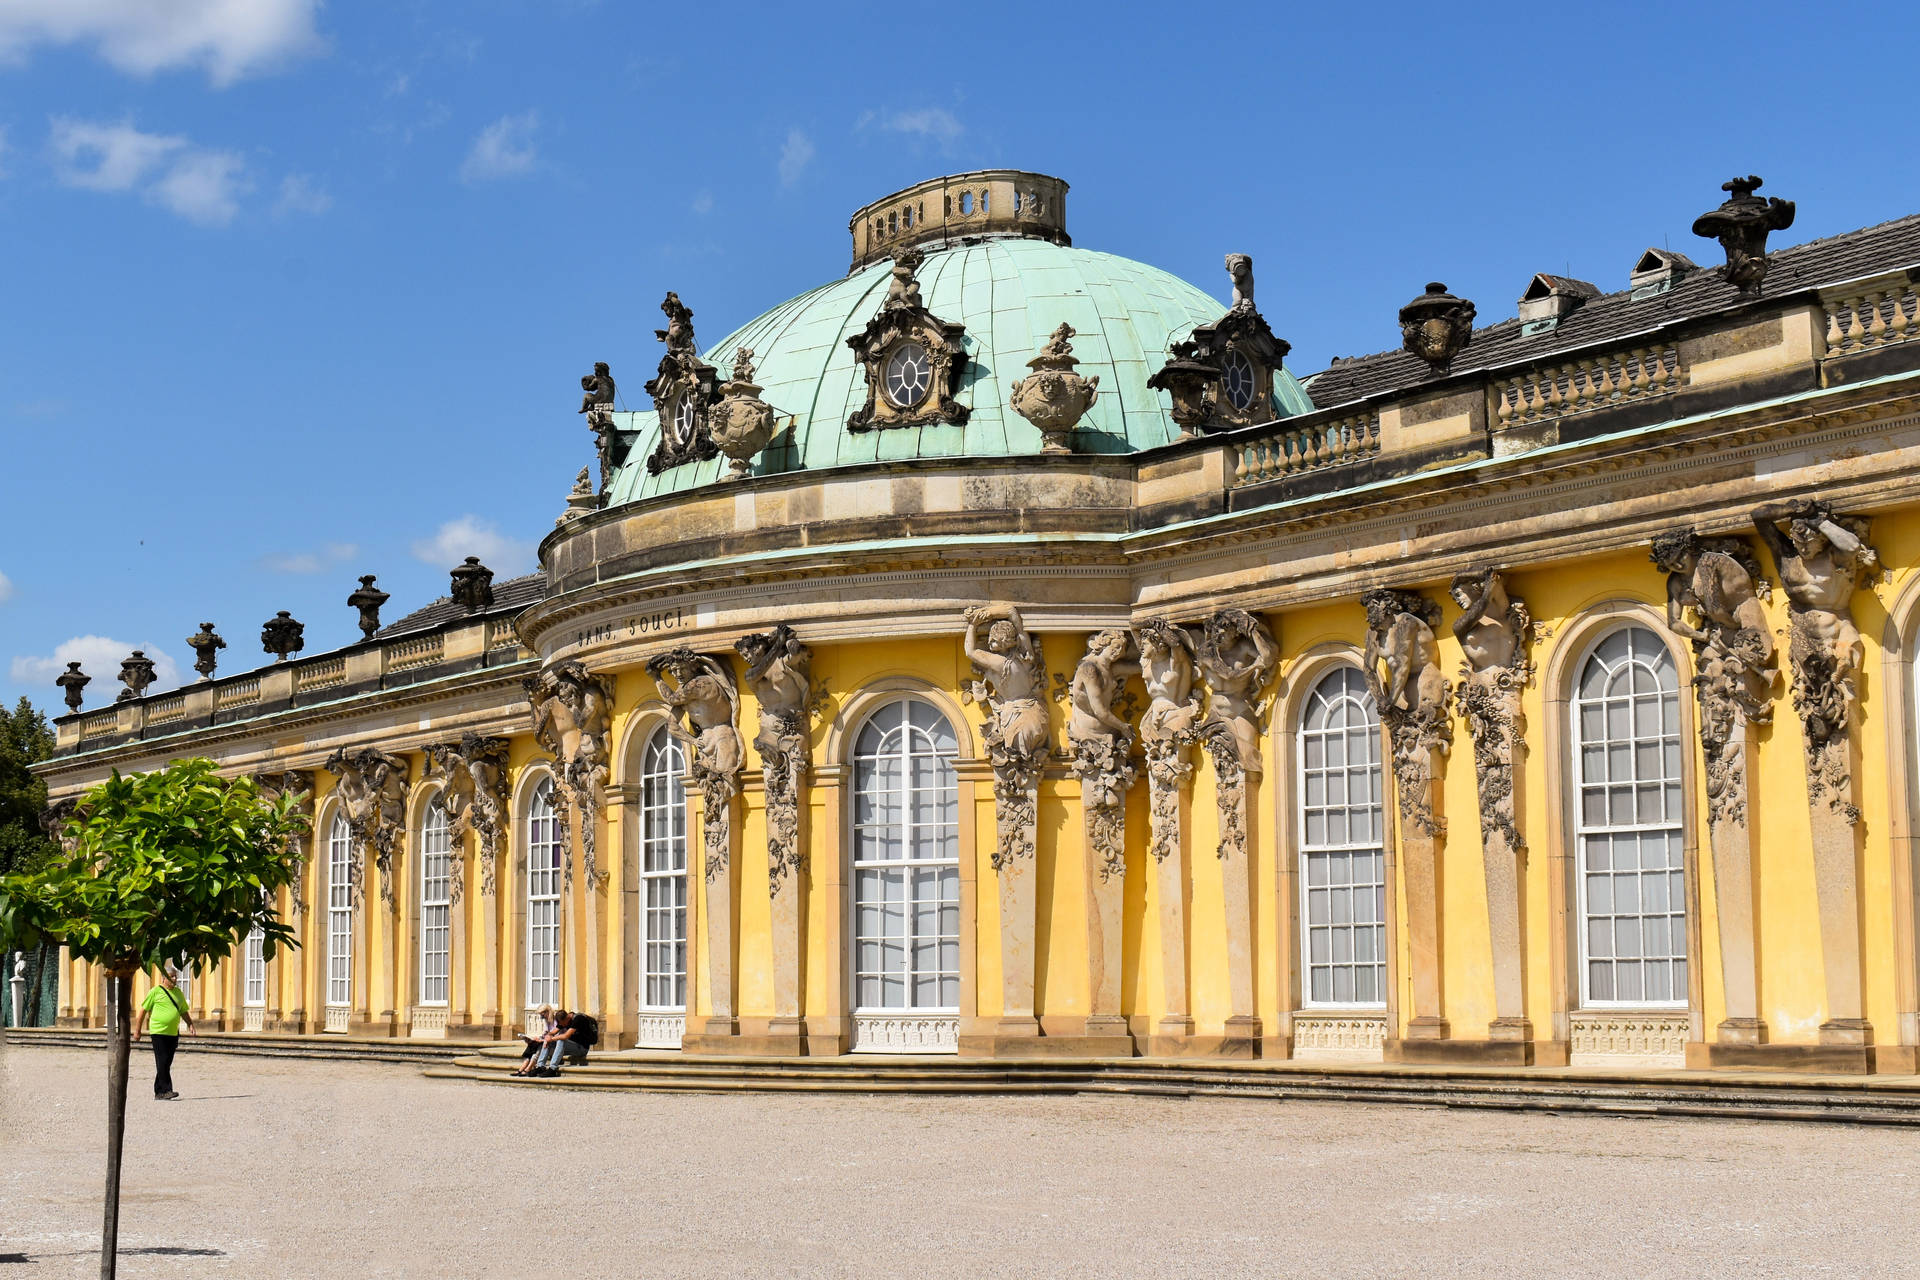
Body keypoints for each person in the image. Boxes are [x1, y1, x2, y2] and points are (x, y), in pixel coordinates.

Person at [132, 967, 195, 1101]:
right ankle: (167, 1090)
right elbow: (143, 1011)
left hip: (173, 1032)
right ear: (163, 978)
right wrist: (137, 1030)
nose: (174, 979)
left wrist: (190, 1024)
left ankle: (159, 1091)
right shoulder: (155, 992)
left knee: (166, 1062)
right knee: (163, 1060)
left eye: (175, 976)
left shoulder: (178, 993)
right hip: (158, 1032)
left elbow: (183, 1011)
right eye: (171, 976)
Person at [528, 1008, 598, 1077]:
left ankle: (553, 1069)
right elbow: (553, 1032)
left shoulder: (578, 1019)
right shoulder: (563, 1019)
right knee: (549, 1041)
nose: (562, 1025)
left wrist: (551, 1039)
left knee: (561, 1040)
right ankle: (540, 1067)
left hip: (582, 1049)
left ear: (566, 1018)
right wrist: (547, 1037)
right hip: (571, 1047)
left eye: (562, 1023)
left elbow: (565, 1036)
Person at [513, 1006, 556, 1077]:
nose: (541, 1017)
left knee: (540, 1045)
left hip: (553, 1044)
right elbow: (545, 1034)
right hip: (547, 1041)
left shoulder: (555, 1020)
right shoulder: (547, 1021)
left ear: (547, 1012)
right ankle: (523, 1067)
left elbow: (555, 1036)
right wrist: (537, 1038)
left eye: (542, 1014)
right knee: (532, 1044)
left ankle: (528, 1068)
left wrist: (542, 1040)